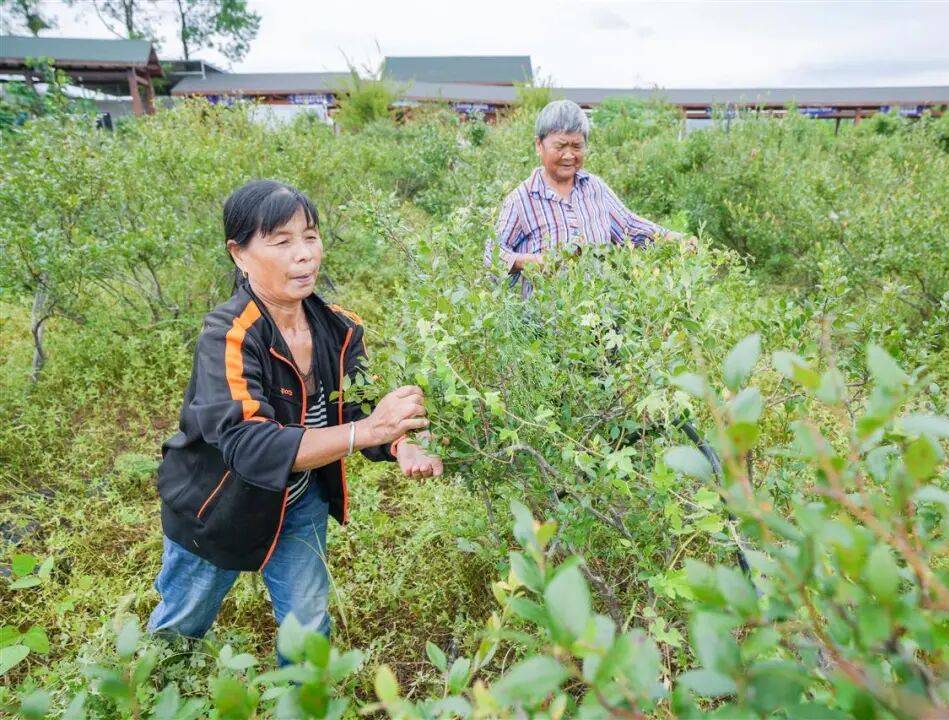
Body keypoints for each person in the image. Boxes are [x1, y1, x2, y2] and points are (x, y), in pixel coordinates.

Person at [148, 180, 442, 648]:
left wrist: (400, 440)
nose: (304, 254)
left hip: (300, 502)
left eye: (310, 235)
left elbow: (355, 407)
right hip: (217, 507)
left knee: (306, 631)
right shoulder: (228, 334)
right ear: (239, 254)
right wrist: (367, 429)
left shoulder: (339, 327)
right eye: (282, 241)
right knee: (180, 627)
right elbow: (249, 444)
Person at [485, 99, 695, 296]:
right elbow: (492, 256)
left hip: (600, 324)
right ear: (539, 145)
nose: (569, 155)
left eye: (577, 146)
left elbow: (629, 227)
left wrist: (671, 238)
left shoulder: (594, 188)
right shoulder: (521, 199)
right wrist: (532, 261)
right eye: (560, 146)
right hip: (546, 327)